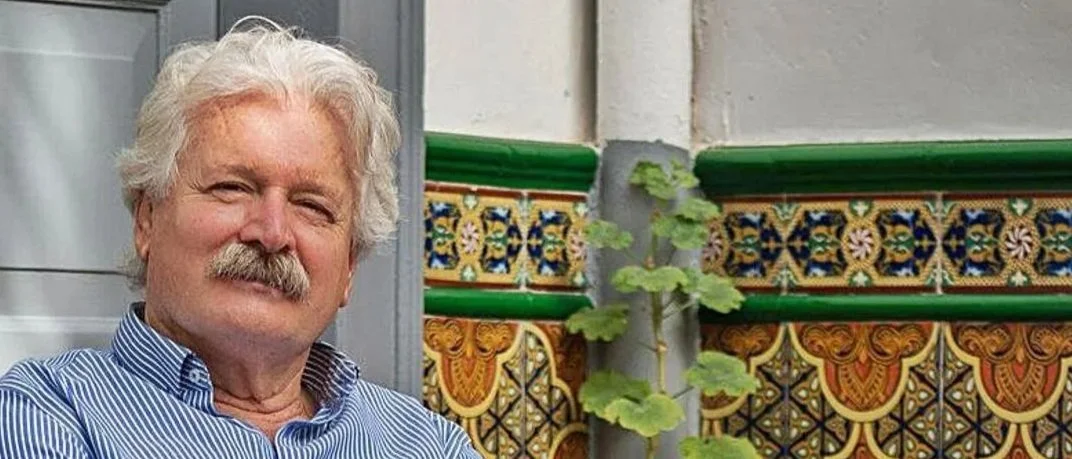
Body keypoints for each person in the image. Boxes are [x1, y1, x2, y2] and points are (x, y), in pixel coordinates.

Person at [0, 18, 480, 458]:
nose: (271, 233)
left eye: (312, 206)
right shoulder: (47, 416)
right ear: (147, 219)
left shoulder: (427, 444)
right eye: (232, 188)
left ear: (350, 266)